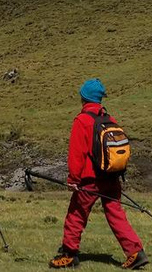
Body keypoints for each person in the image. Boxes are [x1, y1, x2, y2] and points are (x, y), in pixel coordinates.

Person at [49, 79, 147, 269]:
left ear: (83, 98)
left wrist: (73, 180)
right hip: (111, 177)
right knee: (116, 214)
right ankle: (135, 252)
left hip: (89, 180)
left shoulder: (82, 120)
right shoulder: (110, 120)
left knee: (76, 214)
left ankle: (69, 254)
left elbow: (76, 155)